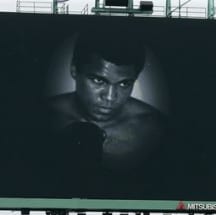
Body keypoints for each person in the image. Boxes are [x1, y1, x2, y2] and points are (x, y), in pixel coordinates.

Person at [48, 35, 166, 172]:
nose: (110, 97)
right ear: (74, 70)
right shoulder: (42, 116)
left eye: (124, 83)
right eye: (99, 80)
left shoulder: (154, 129)